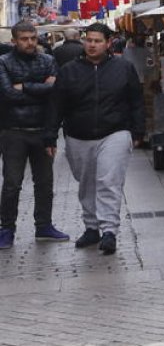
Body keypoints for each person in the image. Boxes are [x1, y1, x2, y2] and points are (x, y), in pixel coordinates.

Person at [54, 22, 145, 255]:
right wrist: (49, 137)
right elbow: (57, 105)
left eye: (97, 41)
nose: (92, 45)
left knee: (109, 181)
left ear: (107, 43)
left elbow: (136, 100)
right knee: (86, 184)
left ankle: (109, 231)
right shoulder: (69, 71)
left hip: (115, 131)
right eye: (89, 40)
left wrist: (137, 131)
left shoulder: (123, 68)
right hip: (78, 134)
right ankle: (91, 227)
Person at [0, 21, 69, 249]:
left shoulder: (48, 60)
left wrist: (25, 87)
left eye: (32, 38)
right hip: (13, 131)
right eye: (24, 38)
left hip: (42, 130)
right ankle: (7, 228)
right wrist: (40, 87)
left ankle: (44, 225)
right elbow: (8, 95)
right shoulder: (3, 62)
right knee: (11, 183)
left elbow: (56, 93)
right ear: (14, 41)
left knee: (45, 183)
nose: (30, 42)